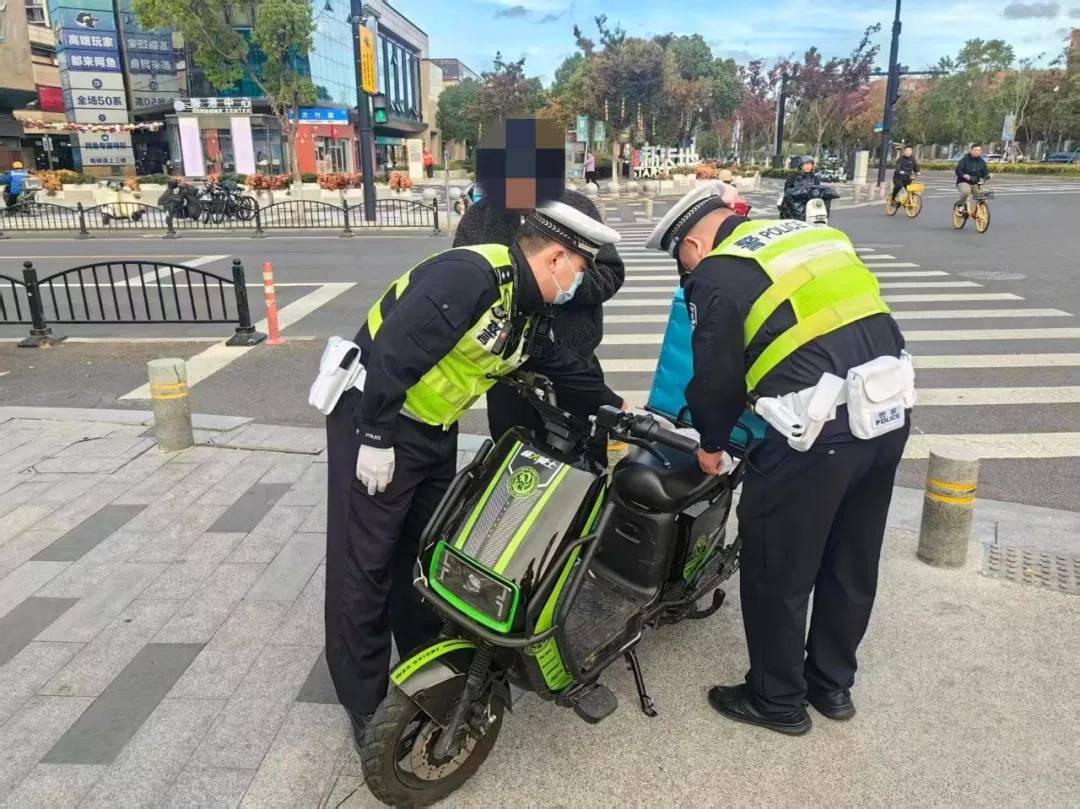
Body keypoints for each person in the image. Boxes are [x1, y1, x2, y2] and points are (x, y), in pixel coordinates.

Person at [323, 201, 625, 749]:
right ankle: (365, 704)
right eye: (580, 269)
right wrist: (373, 439)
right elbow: (393, 351)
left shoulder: (525, 308)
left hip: (432, 428)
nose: (580, 282)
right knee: (363, 564)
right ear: (557, 257)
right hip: (375, 420)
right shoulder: (472, 276)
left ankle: (424, 661)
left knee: (423, 548)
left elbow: (556, 364)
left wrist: (621, 410)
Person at [645, 181, 911, 736]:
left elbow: (713, 379)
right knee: (851, 559)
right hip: (886, 417)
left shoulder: (717, 271)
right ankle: (831, 686)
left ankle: (777, 701)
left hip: (811, 435)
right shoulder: (819, 237)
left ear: (691, 244)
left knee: (777, 570)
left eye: (681, 261)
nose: (687, 270)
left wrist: (711, 445)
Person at [454, 188, 624, 462]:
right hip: (509, 372)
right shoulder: (481, 215)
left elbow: (611, 271)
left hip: (573, 362)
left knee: (583, 456)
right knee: (513, 458)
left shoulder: (577, 206)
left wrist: (569, 282)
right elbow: (466, 280)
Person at [955, 144, 990, 215]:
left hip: (975, 183)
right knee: (966, 192)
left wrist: (988, 176)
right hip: (963, 182)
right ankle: (961, 205)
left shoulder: (982, 162)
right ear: (971, 151)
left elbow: (985, 173)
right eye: (974, 150)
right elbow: (958, 170)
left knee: (986, 194)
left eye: (978, 150)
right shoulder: (965, 160)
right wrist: (964, 175)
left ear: (981, 152)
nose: (976, 152)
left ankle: (978, 210)